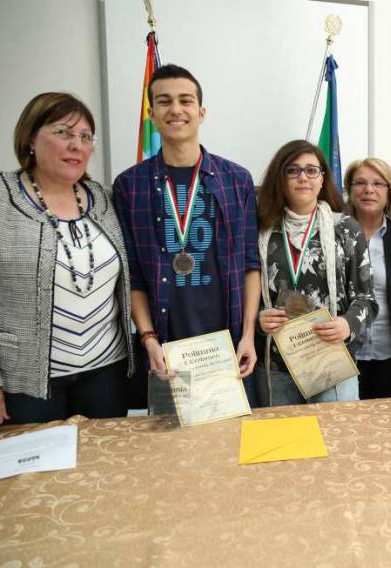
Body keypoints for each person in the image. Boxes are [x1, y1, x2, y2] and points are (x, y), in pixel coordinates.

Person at [0, 92, 133, 428]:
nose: (76, 145)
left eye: (85, 137)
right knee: (33, 479)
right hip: (24, 382)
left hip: (106, 372)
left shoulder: (107, 199)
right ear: (31, 139)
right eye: (63, 132)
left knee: (104, 470)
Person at [112, 64, 261, 405]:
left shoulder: (236, 179)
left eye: (185, 100)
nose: (175, 109)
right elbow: (132, 274)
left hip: (230, 347)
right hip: (166, 349)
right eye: (164, 101)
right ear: (152, 114)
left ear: (201, 112)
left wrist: (249, 336)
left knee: (233, 447)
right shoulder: (129, 186)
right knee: (170, 452)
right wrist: (148, 339)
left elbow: (251, 264)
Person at [256, 140, 377, 406]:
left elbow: (367, 300)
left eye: (312, 170)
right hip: (276, 365)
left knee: (336, 443)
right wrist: (258, 320)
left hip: (331, 360)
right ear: (281, 177)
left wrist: (347, 324)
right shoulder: (261, 230)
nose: (303, 177)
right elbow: (245, 297)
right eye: (293, 170)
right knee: (283, 446)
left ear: (323, 179)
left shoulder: (346, 229)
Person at [344, 158, 391, 399]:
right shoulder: (333, 235)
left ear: (390, 192)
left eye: (378, 183)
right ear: (350, 190)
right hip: (344, 353)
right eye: (361, 183)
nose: (369, 190)